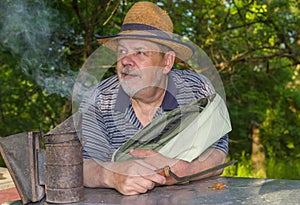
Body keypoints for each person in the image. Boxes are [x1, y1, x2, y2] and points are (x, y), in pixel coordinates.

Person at [81, 1, 229, 196]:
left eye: (140, 52)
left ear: (167, 62)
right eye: (122, 51)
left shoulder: (196, 90)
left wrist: (186, 170)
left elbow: (218, 154)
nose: (125, 60)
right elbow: (81, 166)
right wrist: (111, 176)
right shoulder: (99, 99)